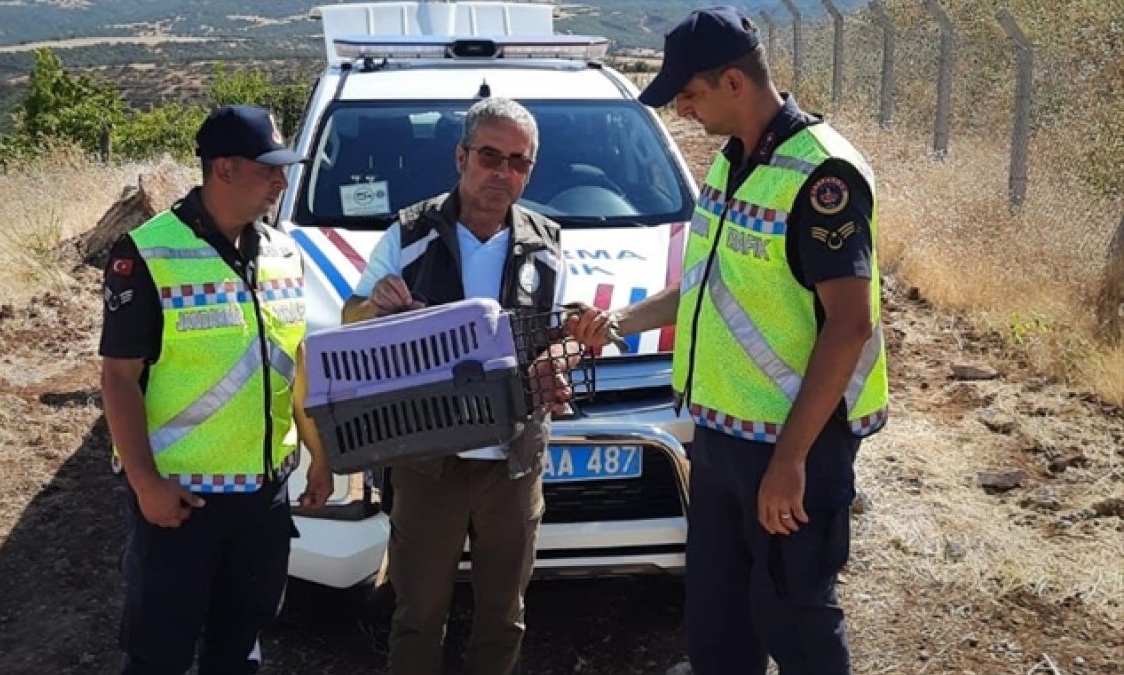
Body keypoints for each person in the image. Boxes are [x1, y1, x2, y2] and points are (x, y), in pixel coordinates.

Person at [566, 7, 889, 675]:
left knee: (794, 617)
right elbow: (705, 286)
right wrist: (621, 324)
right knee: (717, 621)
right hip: (719, 436)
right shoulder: (730, 163)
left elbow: (850, 323)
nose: (683, 109)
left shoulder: (822, 177)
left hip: (792, 443)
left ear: (734, 81)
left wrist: (791, 459)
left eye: (690, 93)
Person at [99, 104, 334, 675]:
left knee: (240, 647)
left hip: (262, 498)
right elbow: (118, 378)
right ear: (223, 169)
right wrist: (146, 484)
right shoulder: (148, 254)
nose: (282, 179)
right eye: (269, 167)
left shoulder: (281, 252)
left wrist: (321, 457)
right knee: (159, 655)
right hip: (181, 504)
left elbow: (293, 360)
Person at [343, 97, 574, 675]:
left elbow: (559, 335)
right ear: (461, 156)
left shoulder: (548, 245)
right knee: (419, 613)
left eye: (518, 162)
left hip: (513, 462)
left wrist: (559, 362)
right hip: (426, 461)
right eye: (490, 156)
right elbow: (350, 319)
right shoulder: (408, 233)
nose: (503, 173)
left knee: (504, 616)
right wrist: (377, 306)